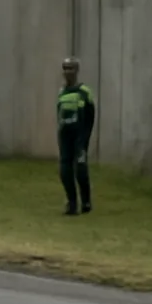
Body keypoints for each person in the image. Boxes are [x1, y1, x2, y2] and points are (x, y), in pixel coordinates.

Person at [57, 56, 95, 215]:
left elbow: (91, 115)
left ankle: (86, 201)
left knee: (80, 169)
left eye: (71, 68)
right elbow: (59, 115)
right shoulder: (61, 92)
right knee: (64, 170)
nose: (68, 72)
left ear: (77, 70)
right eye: (65, 68)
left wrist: (85, 137)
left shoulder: (85, 91)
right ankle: (71, 203)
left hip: (80, 137)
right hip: (65, 137)